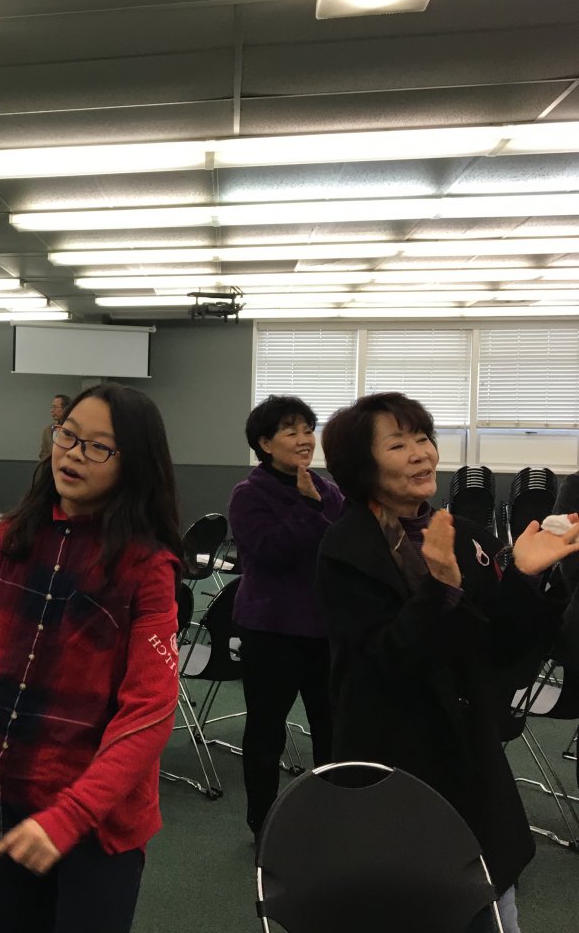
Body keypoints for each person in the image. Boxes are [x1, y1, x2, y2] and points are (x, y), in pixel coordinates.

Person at [317, 392, 579, 932]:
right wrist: (439, 588)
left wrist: (526, 576)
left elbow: (503, 651)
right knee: (409, 903)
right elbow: (386, 664)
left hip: (470, 755)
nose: (421, 453)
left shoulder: (463, 533)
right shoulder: (346, 548)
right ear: (362, 466)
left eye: (423, 439)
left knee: (490, 896)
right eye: (398, 444)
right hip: (395, 759)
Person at [0, 384, 182, 933]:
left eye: (98, 446)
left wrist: (73, 814)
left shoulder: (146, 566)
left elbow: (149, 712)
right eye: (69, 435)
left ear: (133, 464)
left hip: (98, 816)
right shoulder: (8, 540)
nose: (74, 454)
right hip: (8, 795)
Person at [228, 395, 344, 838]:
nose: (304, 439)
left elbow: (342, 546)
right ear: (265, 443)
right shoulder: (249, 495)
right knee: (266, 730)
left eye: (308, 430)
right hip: (271, 630)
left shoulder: (327, 489)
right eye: (291, 431)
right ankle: (263, 822)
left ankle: (333, 814)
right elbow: (270, 552)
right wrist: (307, 509)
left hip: (324, 629)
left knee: (331, 728)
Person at [38, 393, 71, 459]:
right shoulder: (47, 431)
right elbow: (43, 454)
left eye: (55, 407)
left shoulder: (75, 430)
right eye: (52, 407)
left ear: (66, 409)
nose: (52, 410)